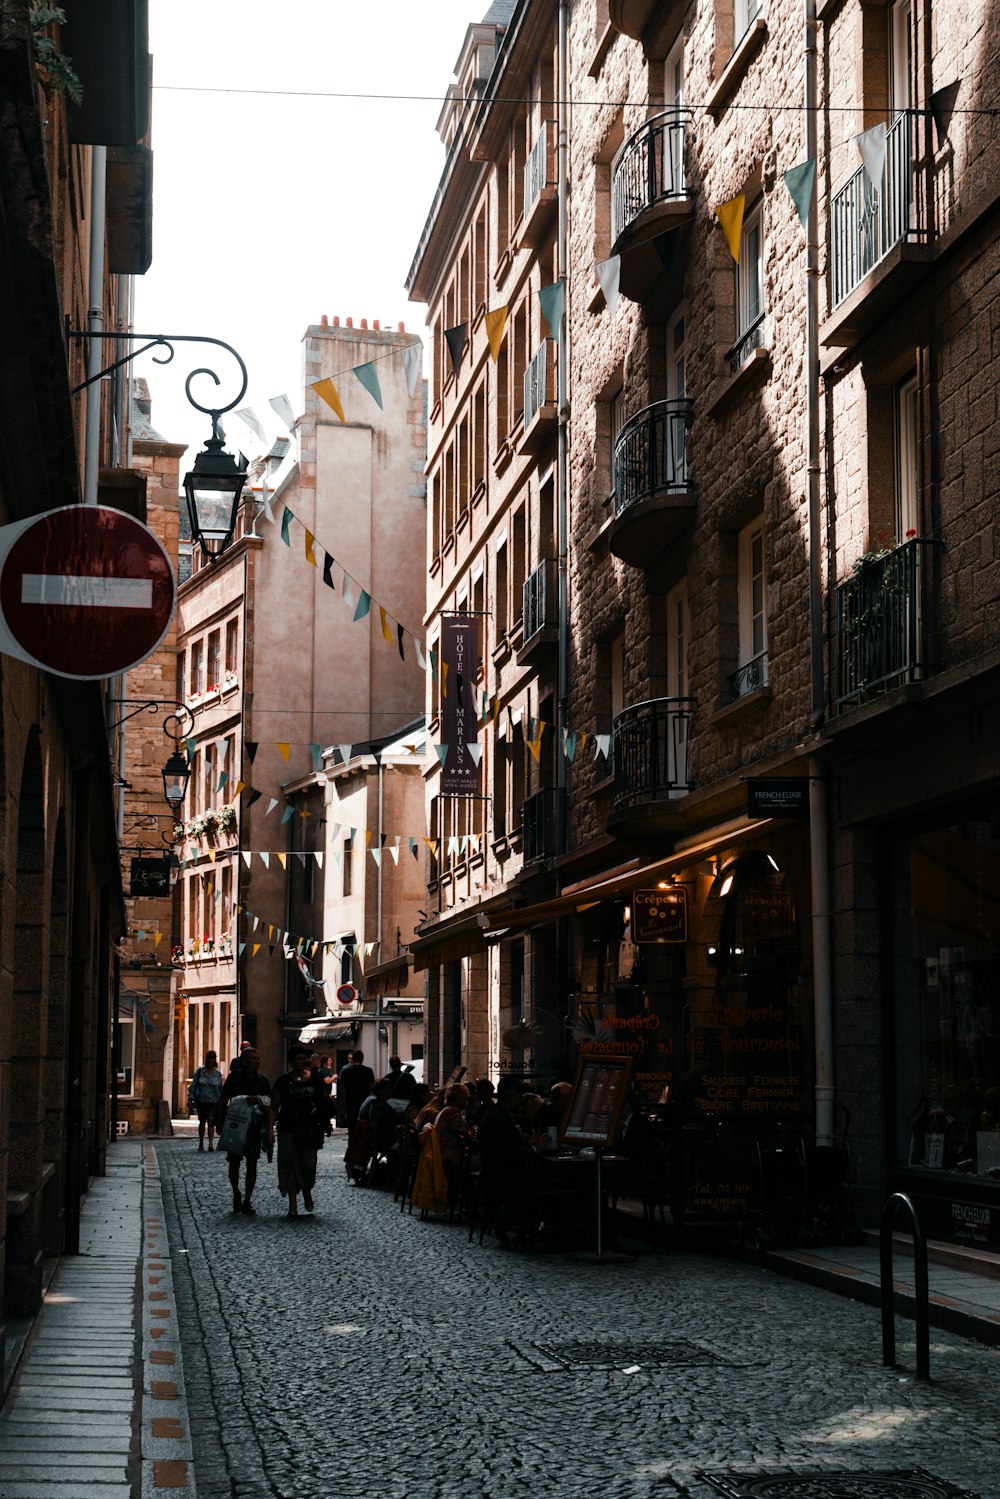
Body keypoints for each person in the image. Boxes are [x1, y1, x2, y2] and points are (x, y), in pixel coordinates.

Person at [217, 1048, 273, 1216]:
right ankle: (236, 1192)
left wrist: (269, 1128)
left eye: (258, 1058)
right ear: (245, 1061)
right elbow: (223, 1098)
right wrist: (219, 1121)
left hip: (254, 1128)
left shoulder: (262, 1081)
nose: (257, 1061)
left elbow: (270, 1102)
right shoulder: (234, 1078)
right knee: (234, 1163)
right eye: (253, 1059)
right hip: (235, 1125)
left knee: (252, 1163)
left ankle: (247, 1199)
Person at [271, 1045, 324, 1218]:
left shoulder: (314, 1079)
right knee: (291, 1166)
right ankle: (292, 1205)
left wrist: (319, 1110)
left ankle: (307, 1191)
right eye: (298, 1059)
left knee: (309, 1165)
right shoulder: (282, 1082)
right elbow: (274, 1106)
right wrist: (269, 1130)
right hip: (288, 1128)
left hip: (309, 1129)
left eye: (303, 1058)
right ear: (292, 1062)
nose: (301, 1061)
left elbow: (323, 1101)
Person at [188, 1050, 225, 1151]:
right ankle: (200, 1143)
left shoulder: (217, 1073)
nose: (210, 1060)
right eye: (209, 1058)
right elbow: (193, 1085)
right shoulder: (200, 1071)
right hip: (201, 1100)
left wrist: (222, 1101)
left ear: (214, 1060)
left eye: (212, 1058)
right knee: (202, 1121)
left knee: (211, 1120)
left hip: (214, 1101)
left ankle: (210, 1143)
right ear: (206, 1059)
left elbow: (220, 1088)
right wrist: (190, 1098)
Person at [338, 1049, 375, 1136]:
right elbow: (372, 1087)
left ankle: (352, 1147)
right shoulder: (368, 1071)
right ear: (362, 1059)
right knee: (364, 1129)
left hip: (350, 1102)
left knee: (352, 1129)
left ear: (353, 1059)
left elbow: (342, 1088)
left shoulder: (346, 1071)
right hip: (364, 1103)